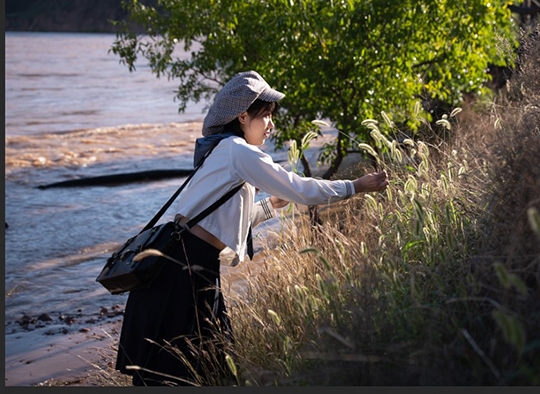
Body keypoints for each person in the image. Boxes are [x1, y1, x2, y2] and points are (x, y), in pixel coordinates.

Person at [115, 71, 390, 386]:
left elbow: (221, 222)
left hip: (189, 265)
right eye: (265, 116)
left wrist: (271, 206)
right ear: (243, 115)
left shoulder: (222, 149)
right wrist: (354, 186)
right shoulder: (238, 150)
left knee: (204, 365)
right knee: (184, 369)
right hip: (184, 270)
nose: (271, 125)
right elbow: (299, 188)